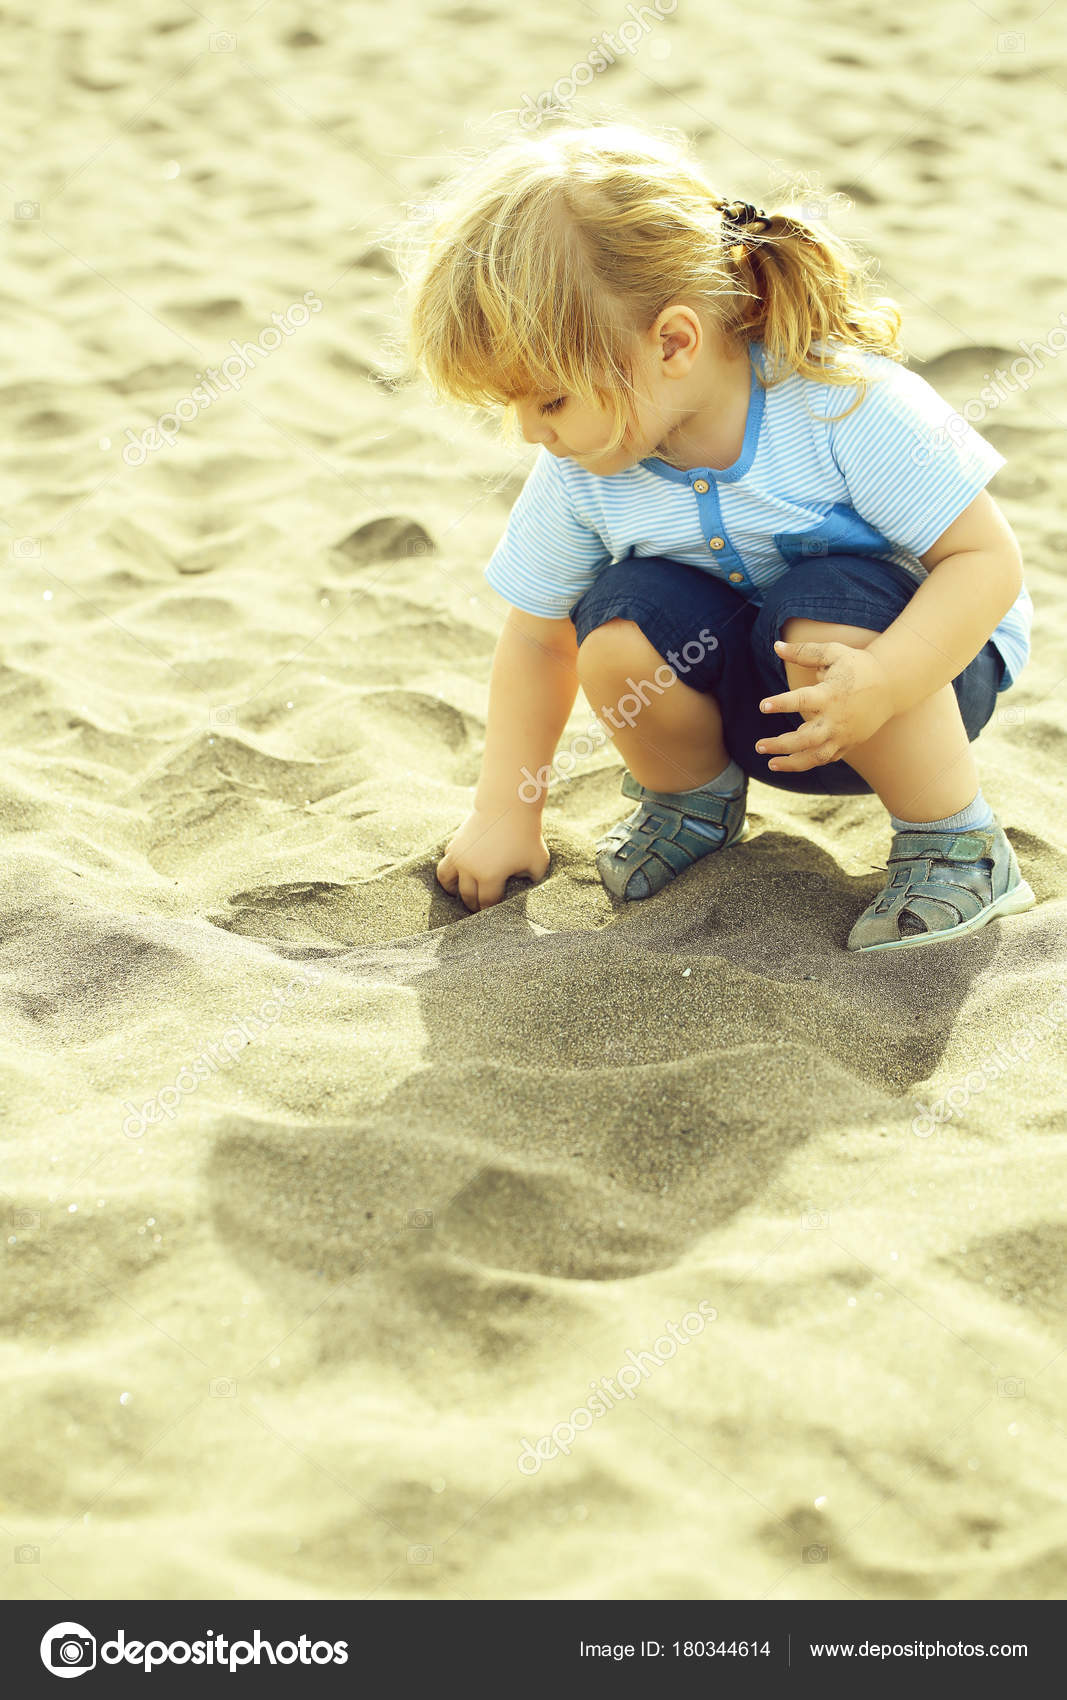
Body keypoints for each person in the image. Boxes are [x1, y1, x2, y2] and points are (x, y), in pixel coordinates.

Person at [400, 120, 1035, 951]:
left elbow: (985, 561)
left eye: (549, 399)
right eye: (509, 406)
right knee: (619, 618)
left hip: (917, 684)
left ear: (672, 341)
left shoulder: (842, 401)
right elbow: (535, 640)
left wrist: (885, 679)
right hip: (753, 712)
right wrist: (503, 813)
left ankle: (957, 844)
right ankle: (692, 805)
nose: (528, 432)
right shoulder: (586, 468)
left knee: (821, 603)